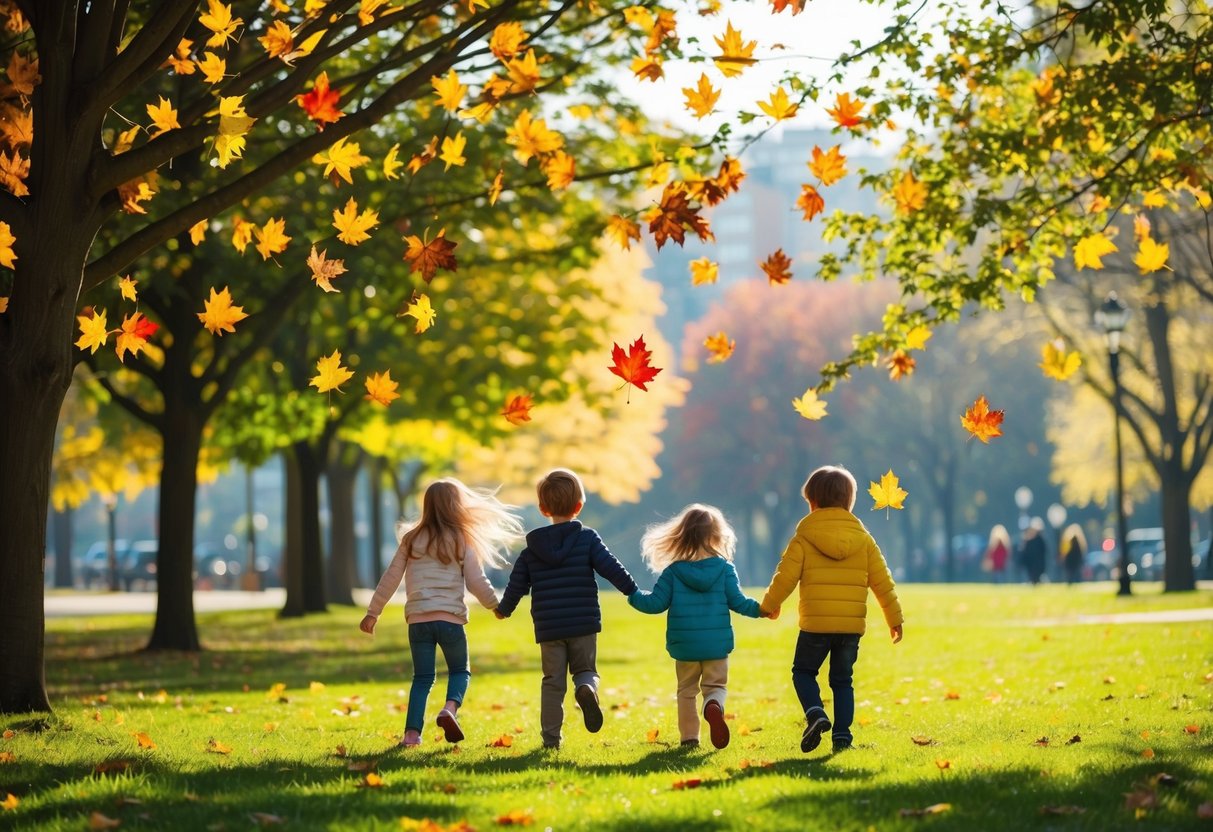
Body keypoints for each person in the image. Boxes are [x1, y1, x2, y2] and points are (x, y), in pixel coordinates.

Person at [359, 478, 522, 748]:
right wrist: (495, 606)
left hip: (418, 622)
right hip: (450, 621)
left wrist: (372, 612)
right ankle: (449, 709)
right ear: (456, 507)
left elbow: (391, 578)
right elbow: (476, 580)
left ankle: (411, 735)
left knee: (422, 678)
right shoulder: (461, 540)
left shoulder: (411, 540)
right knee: (460, 670)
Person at [759, 465, 904, 754]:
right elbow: (883, 583)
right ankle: (842, 736)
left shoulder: (803, 537)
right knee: (842, 681)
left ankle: (816, 713)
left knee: (803, 671)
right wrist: (894, 619)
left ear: (812, 502)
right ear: (849, 501)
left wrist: (769, 605)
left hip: (815, 625)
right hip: (850, 628)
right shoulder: (864, 540)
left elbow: (784, 577)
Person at [495, 468, 638, 749]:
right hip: (583, 622)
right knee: (585, 670)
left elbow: (516, 586)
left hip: (550, 628)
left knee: (552, 682)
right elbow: (611, 567)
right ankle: (586, 688)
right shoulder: (587, 539)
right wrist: (631, 590)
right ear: (579, 506)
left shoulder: (530, 551)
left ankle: (551, 740)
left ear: (542, 508)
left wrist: (504, 609)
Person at [628, 504, 766, 749]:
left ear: (682, 536)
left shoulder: (674, 572)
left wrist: (632, 594)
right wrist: (761, 610)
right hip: (716, 646)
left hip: (686, 647)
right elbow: (739, 602)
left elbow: (655, 604)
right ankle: (713, 704)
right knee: (716, 687)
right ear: (716, 536)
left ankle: (689, 738)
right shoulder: (725, 569)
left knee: (686, 692)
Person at [1018, 519, 1047, 585]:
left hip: (1037, 562)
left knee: (1036, 575)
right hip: (1031, 562)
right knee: (1032, 574)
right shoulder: (1028, 541)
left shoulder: (1039, 540)